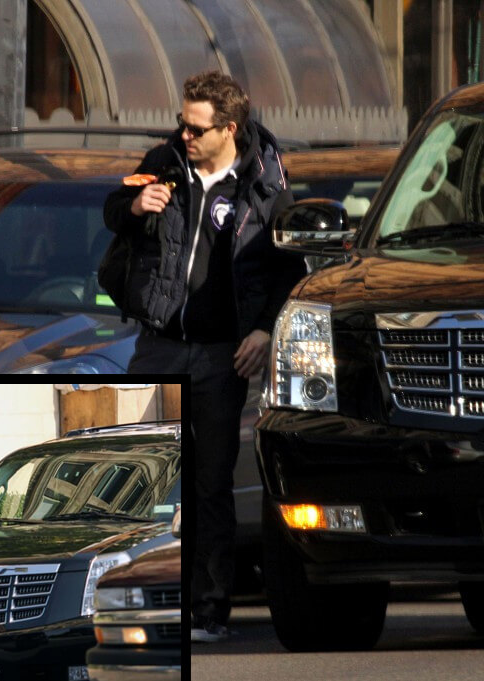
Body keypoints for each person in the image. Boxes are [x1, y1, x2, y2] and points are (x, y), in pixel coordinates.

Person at [104, 70, 305, 643]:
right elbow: (112, 211)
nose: (183, 135)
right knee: (144, 476)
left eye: (194, 128)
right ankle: (141, 600)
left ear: (228, 128)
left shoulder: (265, 185)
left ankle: (207, 611)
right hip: (158, 344)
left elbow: (287, 269)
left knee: (209, 484)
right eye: (181, 124)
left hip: (220, 355)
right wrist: (136, 203)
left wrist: (265, 330)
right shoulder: (163, 161)